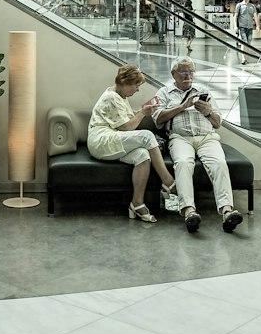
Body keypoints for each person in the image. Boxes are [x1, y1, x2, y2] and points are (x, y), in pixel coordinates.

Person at [154, 59, 243, 234]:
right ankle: (189, 211)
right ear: (174, 75)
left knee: (219, 163)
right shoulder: (164, 92)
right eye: (183, 72)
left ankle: (227, 211)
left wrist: (208, 111)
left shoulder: (204, 92)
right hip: (180, 138)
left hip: (207, 137)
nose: (188, 76)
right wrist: (182, 106)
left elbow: (217, 123)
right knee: (183, 163)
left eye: (191, 72)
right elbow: (158, 119)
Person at [87, 63, 178, 223]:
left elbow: (125, 121)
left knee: (142, 156)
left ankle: (137, 203)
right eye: (136, 85)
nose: (137, 90)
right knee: (147, 136)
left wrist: (144, 111)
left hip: (112, 139)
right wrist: (143, 113)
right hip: (100, 141)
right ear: (124, 82)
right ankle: (168, 182)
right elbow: (126, 127)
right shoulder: (111, 97)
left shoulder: (120, 96)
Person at [235, 0, 258, 65]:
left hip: (250, 27)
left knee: (248, 43)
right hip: (242, 27)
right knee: (244, 42)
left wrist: (257, 26)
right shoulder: (239, 5)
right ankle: (243, 58)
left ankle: (246, 58)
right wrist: (235, 26)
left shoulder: (252, 6)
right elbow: (235, 16)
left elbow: (255, 16)